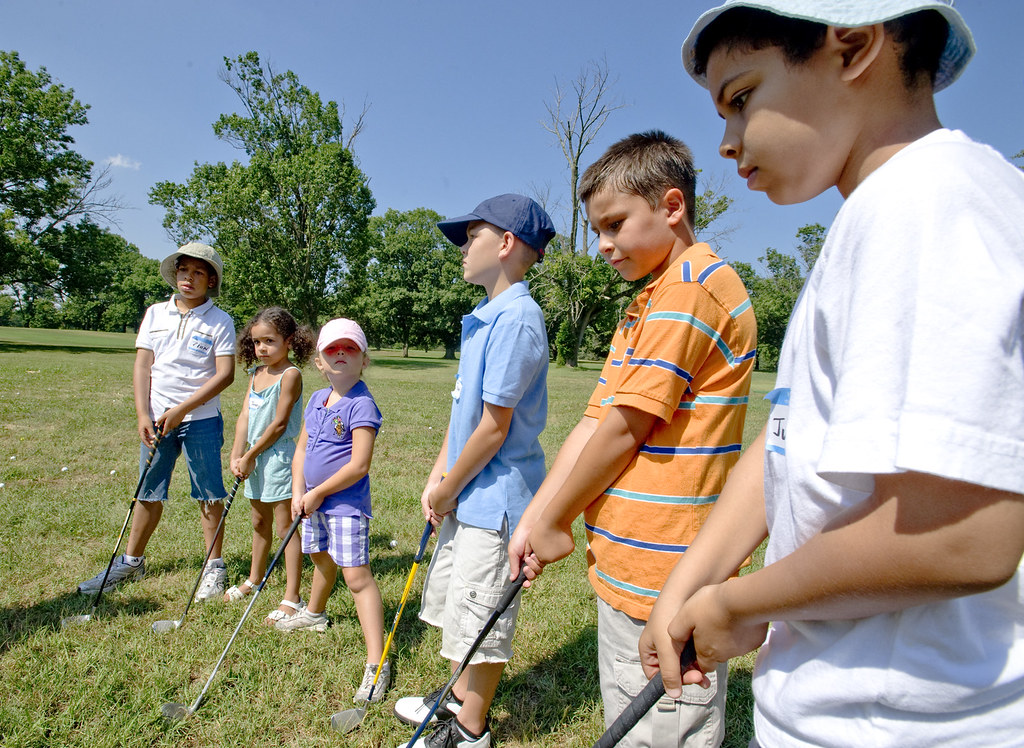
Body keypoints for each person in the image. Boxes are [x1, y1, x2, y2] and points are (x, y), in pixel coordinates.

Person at [638, 2, 1024, 746]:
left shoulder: (929, 202)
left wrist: (739, 604)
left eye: (742, 98)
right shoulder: (881, 211)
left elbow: (964, 534)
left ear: (851, 48)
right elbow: (793, 431)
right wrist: (697, 575)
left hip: (900, 722)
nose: (726, 141)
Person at [510, 131, 756, 748]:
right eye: (597, 230)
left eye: (615, 224)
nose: (603, 246)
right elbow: (596, 419)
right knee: (629, 714)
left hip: (666, 569)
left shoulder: (692, 288)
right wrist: (541, 516)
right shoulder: (648, 300)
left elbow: (627, 427)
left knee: (662, 730)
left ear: (671, 207)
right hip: (626, 561)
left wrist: (557, 516)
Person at [392, 194, 554, 748]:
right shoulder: (486, 317)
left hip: (496, 500)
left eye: (472, 238)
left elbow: (493, 428)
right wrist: (439, 478)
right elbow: (462, 411)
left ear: (506, 244)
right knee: (458, 606)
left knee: (481, 617)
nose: (462, 250)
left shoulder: (518, 319)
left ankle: (470, 730)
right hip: (466, 493)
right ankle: (456, 700)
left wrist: (450, 489)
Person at [78, 242, 236, 600]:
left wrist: (182, 409)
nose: (189, 279)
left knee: (209, 494)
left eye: (198, 273)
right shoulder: (154, 314)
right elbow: (143, 365)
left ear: (210, 281)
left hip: (201, 419)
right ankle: (132, 562)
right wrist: (142, 413)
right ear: (175, 274)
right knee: (148, 492)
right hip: (156, 420)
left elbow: (225, 375)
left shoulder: (220, 320)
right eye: (184, 271)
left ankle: (214, 567)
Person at [280, 317, 389, 703]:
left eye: (350, 349)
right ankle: (314, 613)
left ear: (363, 360)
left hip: (344, 504)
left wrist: (318, 492)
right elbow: (301, 450)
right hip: (312, 501)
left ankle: (377, 663)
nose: (340, 354)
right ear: (319, 363)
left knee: (356, 576)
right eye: (332, 350)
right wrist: (298, 491)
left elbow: (359, 465)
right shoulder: (315, 400)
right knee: (319, 557)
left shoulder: (362, 405)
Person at [225, 307, 315, 626]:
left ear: (289, 341)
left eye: (269, 341)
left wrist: (250, 456)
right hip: (254, 457)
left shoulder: (290, 375)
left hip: (278, 458)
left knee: (284, 528)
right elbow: (245, 417)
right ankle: (255, 577)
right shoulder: (255, 375)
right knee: (258, 522)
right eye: (257, 342)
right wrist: (237, 454)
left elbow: (278, 425)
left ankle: (292, 595)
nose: (262, 348)